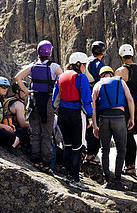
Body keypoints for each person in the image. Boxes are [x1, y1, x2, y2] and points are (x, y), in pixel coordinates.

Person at [15, 40, 62, 175]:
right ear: (50, 53)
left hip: (34, 100)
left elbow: (17, 78)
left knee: (35, 132)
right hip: (47, 101)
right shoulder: (54, 67)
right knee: (46, 134)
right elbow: (63, 80)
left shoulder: (32, 66)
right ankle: (46, 164)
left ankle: (35, 160)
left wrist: (26, 91)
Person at [52, 51, 93, 188]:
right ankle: (75, 179)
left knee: (67, 145)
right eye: (84, 65)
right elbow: (86, 100)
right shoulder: (81, 78)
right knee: (78, 146)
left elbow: (54, 101)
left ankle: (68, 176)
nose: (85, 68)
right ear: (78, 64)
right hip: (76, 114)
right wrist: (89, 116)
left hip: (63, 114)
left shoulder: (61, 77)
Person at [92, 65, 135, 190]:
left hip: (104, 119)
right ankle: (117, 180)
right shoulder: (120, 81)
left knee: (105, 150)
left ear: (101, 75)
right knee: (121, 150)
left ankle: (107, 180)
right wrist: (131, 118)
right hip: (119, 119)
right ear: (111, 74)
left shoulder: (98, 85)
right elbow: (130, 100)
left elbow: (93, 107)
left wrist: (95, 126)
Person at [115, 43, 137, 175]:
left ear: (121, 56)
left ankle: (128, 165)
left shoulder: (121, 71)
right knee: (131, 135)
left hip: (126, 105)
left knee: (125, 135)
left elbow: (115, 90)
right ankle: (132, 165)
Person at [84, 40, 106, 165]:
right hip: (95, 98)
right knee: (95, 126)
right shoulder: (99, 64)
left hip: (84, 97)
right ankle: (91, 154)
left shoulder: (85, 61)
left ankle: (84, 152)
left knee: (86, 125)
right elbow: (102, 82)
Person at [3, 81, 30, 149]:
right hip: (11, 129)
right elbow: (22, 124)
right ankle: (14, 146)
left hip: (4, 126)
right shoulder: (19, 104)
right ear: (17, 91)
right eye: (24, 91)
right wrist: (35, 124)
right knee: (28, 130)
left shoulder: (8, 99)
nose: (27, 94)